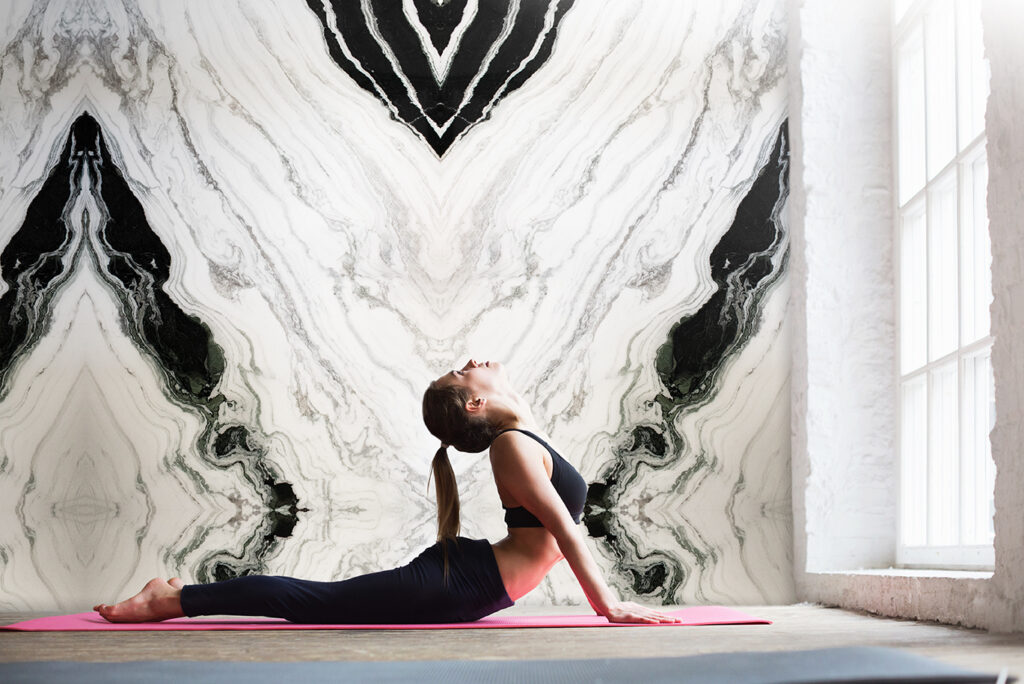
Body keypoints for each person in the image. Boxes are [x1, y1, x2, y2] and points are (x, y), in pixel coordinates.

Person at [94, 359, 679, 624]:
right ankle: (170, 601)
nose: (472, 361)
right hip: (463, 585)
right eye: (462, 370)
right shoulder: (511, 445)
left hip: (472, 582)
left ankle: (173, 594)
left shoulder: (518, 437)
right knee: (315, 605)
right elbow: (565, 530)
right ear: (474, 401)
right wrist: (610, 605)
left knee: (320, 604)